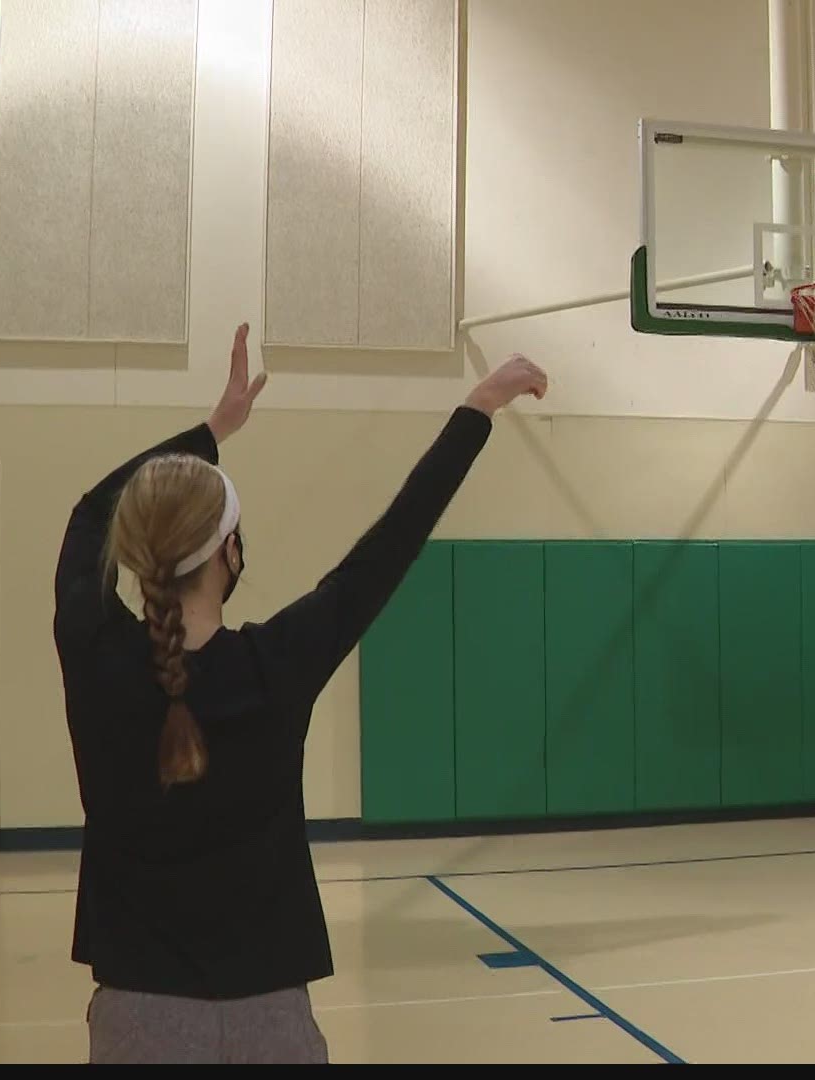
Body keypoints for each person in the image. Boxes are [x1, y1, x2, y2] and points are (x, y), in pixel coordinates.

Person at [52, 323, 548, 1064]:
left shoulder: (94, 652)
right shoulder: (277, 665)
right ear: (230, 553)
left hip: (137, 1020)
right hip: (270, 1018)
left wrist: (212, 432)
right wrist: (477, 406)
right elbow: (393, 541)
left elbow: (90, 509)